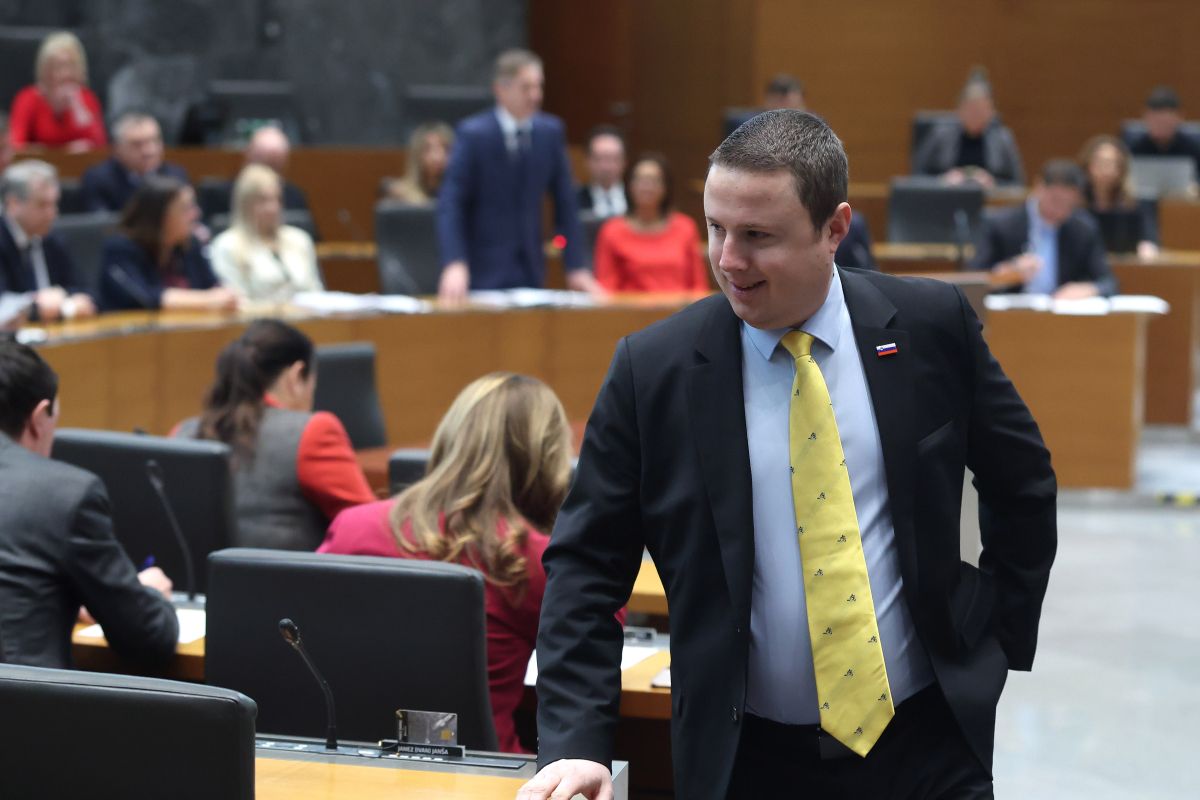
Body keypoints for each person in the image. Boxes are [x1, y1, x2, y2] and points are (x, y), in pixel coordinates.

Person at [519, 110, 1056, 800]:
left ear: (834, 228)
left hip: (928, 744)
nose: (727, 259)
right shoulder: (653, 371)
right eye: (716, 228)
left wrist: (994, 635)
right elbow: (587, 566)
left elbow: (1022, 479)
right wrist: (575, 742)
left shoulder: (930, 328)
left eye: (757, 236)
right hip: (748, 761)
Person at [319, 373, 573, 754]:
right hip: (485, 774)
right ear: (547, 460)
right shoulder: (534, 559)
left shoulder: (352, 527)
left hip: (351, 766)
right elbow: (596, 647)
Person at [0, 340, 178, 668]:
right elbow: (149, 639)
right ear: (38, 417)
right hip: (20, 699)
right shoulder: (62, 494)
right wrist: (151, 593)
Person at [176, 320, 374, 551]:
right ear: (296, 376)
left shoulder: (182, 434)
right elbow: (368, 528)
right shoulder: (314, 431)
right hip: (291, 574)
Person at [436, 49, 594, 305]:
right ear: (501, 89)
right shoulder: (473, 134)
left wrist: (576, 266)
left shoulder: (550, 132)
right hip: (481, 270)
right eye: (526, 87)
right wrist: (455, 262)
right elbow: (451, 204)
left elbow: (565, 203)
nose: (536, 95)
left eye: (539, 86)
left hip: (531, 268)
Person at [971, 159, 1117, 298]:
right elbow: (972, 280)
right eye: (1055, 200)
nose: (1060, 210)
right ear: (1039, 187)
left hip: (1060, 311)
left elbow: (1108, 283)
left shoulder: (1083, 228)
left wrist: (1089, 289)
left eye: (1069, 204)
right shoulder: (1001, 224)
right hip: (1011, 311)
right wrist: (1007, 273)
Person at [97, 176, 237, 312]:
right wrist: (207, 299)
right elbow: (145, 298)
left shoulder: (190, 245)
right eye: (186, 208)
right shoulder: (120, 249)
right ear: (159, 215)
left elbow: (214, 288)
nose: (196, 214)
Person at [593, 153, 707, 292]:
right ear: (629, 185)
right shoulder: (612, 230)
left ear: (666, 187)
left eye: (654, 180)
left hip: (681, 305)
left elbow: (698, 285)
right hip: (630, 305)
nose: (647, 187)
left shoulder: (685, 227)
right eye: (640, 180)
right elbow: (606, 287)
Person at [208, 164, 322, 302]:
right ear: (245, 204)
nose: (273, 208)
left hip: (306, 315)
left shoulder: (300, 240)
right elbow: (236, 301)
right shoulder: (227, 246)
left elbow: (316, 293)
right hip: (257, 316)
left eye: (277, 199)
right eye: (263, 200)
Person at [0, 160, 96, 321]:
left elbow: (86, 292)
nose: (53, 213)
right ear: (13, 204)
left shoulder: (53, 239)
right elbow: (4, 305)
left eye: (54, 204)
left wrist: (60, 303)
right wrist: (47, 307)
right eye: (42, 205)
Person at [914, 68, 1024, 187]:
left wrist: (993, 182)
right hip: (947, 195)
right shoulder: (940, 135)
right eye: (971, 110)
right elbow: (917, 177)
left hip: (989, 197)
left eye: (981, 111)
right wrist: (943, 180)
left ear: (991, 113)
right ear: (960, 110)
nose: (976, 116)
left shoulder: (1002, 139)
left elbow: (1018, 184)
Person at [7, 31, 107, 152]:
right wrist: (58, 151)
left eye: (72, 66)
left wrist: (78, 105)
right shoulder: (28, 98)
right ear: (45, 70)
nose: (66, 74)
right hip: (37, 163)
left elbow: (100, 146)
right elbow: (15, 145)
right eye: (58, 66)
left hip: (78, 163)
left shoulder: (87, 99)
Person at [80, 112, 189, 213]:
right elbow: (100, 223)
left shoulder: (175, 176)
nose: (149, 151)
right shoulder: (99, 179)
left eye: (154, 141)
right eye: (137, 144)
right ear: (117, 149)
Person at [1079, 135, 1159, 259]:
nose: (1105, 169)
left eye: (1111, 163)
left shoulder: (1137, 204)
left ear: (1122, 169)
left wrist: (1147, 247)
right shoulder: (1075, 204)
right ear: (1087, 166)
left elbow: (1150, 240)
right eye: (1100, 162)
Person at [243, 125, 317, 221]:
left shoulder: (295, 197)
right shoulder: (227, 195)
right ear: (249, 157)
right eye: (265, 165)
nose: (270, 209)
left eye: (275, 166)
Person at [1127, 85, 1200, 176]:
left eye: (1165, 122)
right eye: (1156, 122)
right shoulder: (1135, 149)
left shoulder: (1193, 149)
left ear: (1179, 118)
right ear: (1145, 118)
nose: (1160, 127)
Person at [385, 122, 455, 205]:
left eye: (445, 148)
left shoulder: (461, 193)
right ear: (417, 154)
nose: (437, 157)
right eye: (428, 149)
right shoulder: (400, 195)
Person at [576, 125, 627, 219]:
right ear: (587, 161)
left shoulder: (637, 200)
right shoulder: (573, 200)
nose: (606, 167)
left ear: (624, 161)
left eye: (612, 159)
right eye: (599, 159)